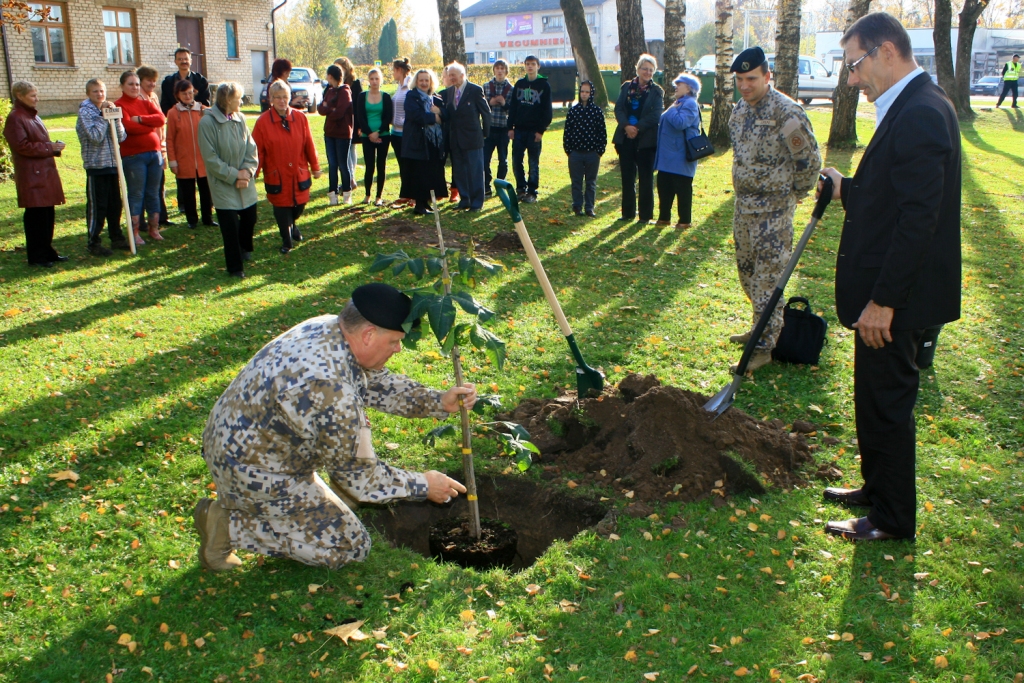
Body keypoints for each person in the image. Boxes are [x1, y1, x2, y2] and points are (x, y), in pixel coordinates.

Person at [194, 283, 476, 571]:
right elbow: (362, 478)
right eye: (394, 341)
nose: (398, 348)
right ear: (368, 334)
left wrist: (437, 401)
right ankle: (228, 525)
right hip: (254, 468)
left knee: (341, 485)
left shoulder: (329, 328)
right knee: (349, 547)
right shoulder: (332, 389)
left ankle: (308, 508)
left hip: (235, 436)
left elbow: (373, 382)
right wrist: (423, 485)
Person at [817, 12, 961, 542]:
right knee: (873, 399)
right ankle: (878, 489)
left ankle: (892, 518)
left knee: (888, 405)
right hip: (886, 295)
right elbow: (893, 196)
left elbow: (919, 220)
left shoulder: (921, 111)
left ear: (886, 52)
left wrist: (884, 302)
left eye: (855, 65)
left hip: (897, 300)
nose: (852, 78)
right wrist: (846, 188)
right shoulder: (909, 104)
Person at [727, 46, 821, 372]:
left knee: (768, 282)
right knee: (748, 275)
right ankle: (759, 327)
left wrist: (793, 195)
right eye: (740, 79)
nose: (744, 85)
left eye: (751, 79)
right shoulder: (739, 111)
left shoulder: (786, 112)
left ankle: (763, 347)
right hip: (744, 208)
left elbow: (809, 161)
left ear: (768, 76)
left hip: (773, 212)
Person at [253, 80, 322, 255]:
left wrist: (315, 166)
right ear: (271, 99)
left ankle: (293, 226)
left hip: (299, 173)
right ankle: (287, 240)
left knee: (299, 205)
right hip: (277, 175)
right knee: (282, 208)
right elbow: (257, 151)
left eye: (285, 97)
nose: (282, 101)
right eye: (277, 97)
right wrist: (254, 171)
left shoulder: (300, 118)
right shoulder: (262, 122)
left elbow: (309, 144)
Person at [198, 82, 258, 279]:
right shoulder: (207, 123)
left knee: (250, 218)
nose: (241, 102)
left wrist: (247, 172)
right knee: (230, 227)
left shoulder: (240, 118)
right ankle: (235, 267)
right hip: (222, 184)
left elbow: (251, 149)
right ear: (228, 100)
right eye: (238, 98)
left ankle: (245, 247)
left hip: (245, 181)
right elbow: (210, 159)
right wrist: (234, 175)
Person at [3, 80, 67, 267]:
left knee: (47, 214)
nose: (36, 99)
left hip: (44, 172)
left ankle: (47, 251)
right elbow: (21, 146)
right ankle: (37, 256)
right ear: (20, 96)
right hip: (32, 174)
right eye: (32, 96)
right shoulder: (16, 117)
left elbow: (37, 142)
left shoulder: (32, 116)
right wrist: (49, 147)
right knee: (36, 217)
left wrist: (53, 147)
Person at [75, 78, 128, 256]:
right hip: (97, 166)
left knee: (115, 205)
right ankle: (94, 241)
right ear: (88, 94)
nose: (99, 94)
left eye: (102, 91)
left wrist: (115, 117)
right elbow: (95, 137)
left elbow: (121, 136)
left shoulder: (109, 108)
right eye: (95, 91)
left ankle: (116, 237)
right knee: (98, 206)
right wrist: (104, 117)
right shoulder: (85, 112)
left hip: (113, 164)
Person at [115, 69, 166, 246]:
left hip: (154, 154)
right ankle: (134, 232)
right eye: (131, 84)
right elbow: (128, 127)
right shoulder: (119, 105)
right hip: (134, 156)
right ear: (122, 86)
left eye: (137, 84)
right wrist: (149, 126)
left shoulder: (145, 103)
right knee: (136, 193)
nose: (135, 87)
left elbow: (161, 119)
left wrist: (141, 119)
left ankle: (154, 228)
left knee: (153, 192)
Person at [613, 54, 664, 223]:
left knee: (646, 178)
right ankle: (627, 213)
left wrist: (637, 128)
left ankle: (645, 215)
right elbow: (619, 109)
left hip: (646, 140)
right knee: (627, 177)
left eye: (651, 70)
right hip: (625, 138)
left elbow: (656, 114)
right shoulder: (626, 87)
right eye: (645, 69)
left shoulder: (656, 91)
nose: (647, 72)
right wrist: (627, 126)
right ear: (638, 69)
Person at [166, 79, 216, 230]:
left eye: (190, 93)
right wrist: (173, 161)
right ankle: (192, 220)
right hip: (184, 159)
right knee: (188, 192)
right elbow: (170, 139)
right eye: (184, 94)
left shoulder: (203, 110)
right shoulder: (173, 113)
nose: (188, 96)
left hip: (203, 159)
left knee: (206, 191)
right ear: (178, 95)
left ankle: (208, 217)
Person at [654, 73, 702, 229]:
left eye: (679, 84)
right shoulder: (679, 103)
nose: (676, 87)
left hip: (681, 155)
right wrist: (673, 108)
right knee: (664, 187)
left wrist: (672, 110)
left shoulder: (690, 104)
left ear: (688, 88)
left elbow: (680, 123)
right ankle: (664, 218)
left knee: (682, 189)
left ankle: (684, 221)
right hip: (668, 156)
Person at [440, 62, 490, 212]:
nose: (451, 78)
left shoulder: (475, 90)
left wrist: (485, 133)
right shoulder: (449, 92)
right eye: (449, 76)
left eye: (453, 75)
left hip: (473, 138)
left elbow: (486, 113)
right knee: (459, 171)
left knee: (475, 171)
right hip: (455, 139)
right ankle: (465, 199)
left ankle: (477, 202)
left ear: (462, 75)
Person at [401, 68, 448, 216]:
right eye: (421, 80)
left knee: (430, 173)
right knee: (419, 174)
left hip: (434, 143)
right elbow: (415, 115)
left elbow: (447, 114)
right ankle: (419, 205)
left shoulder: (436, 98)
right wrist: (434, 118)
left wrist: (439, 112)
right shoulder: (411, 96)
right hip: (418, 142)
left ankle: (426, 202)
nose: (424, 83)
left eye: (426, 80)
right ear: (416, 82)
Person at [507, 55, 552, 203]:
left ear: (538, 66)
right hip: (519, 130)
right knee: (516, 161)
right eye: (527, 64)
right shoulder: (519, 84)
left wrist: (541, 131)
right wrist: (510, 127)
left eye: (533, 64)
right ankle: (520, 189)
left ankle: (532, 192)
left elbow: (547, 111)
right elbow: (513, 107)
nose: (530, 66)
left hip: (534, 132)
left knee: (533, 162)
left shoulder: (544, 86)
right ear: (524, 66)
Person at [562, 80, 606, 217]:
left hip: (592, 153)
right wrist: (569, 150)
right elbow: (567, 132)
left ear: (591, 93)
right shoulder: (573, 111)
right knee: (576, 181)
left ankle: (589, 207)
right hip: (575, 152)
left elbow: (602, 133)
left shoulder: (597, 112)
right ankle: (577, 206)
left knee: (591, 182)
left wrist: (599, 151)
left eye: (587, 92)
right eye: (582, 91)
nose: (584, 94)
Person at [137, 65, 173, 228]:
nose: (152, 84)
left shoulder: (153, 97)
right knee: (144, 186)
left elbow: (160, 119)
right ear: (140, 81)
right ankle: (141, 221)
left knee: (159, 183)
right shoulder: (139, 98)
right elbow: (149, 120)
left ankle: (161, 217)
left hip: (159, 145)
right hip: (146, 147)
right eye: (148, 81)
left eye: (154, 81)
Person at [354, 67, 393, 206]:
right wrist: (370, 133)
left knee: (381, 165)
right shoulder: (362, 96)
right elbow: (360, 116)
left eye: (377, 78)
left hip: (383, 135)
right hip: (367, 136)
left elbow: (388, 116)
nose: (374, 81)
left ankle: (379, 196)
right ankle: (367, 194)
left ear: (380, 80)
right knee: (369, 165)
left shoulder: (386, 96)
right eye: (372, 79)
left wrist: (378, 132)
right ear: (368, 81)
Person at [318, 64, 354, 206]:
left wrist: (329, 108)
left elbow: (339, 113)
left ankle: (347, 192)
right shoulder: (329, 91)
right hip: (330, 133)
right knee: (332, 164)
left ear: (330, 76)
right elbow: (321, 108)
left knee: (343, 164)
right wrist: (329, 108)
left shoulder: (345, 92)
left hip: (343, 134)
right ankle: (333, 194)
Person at [483, 59, 513, 198]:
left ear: (506, 71)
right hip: (489, 129)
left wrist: (504, 103)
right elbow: (481, 106)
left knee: (503, 159)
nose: (500, 71)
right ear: (494, 70)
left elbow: (513, 110)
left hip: (503, 129)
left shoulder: (511, 89)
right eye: (497, 68)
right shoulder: (486, 86)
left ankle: (501, 185)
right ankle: (486, 186)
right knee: (485, 159)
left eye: (502, 68)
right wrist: (490, 102)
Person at [390, 57, 414, 207]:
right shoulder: (399, 86)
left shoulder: (410, 86)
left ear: (399, 70)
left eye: (394, 70)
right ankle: (405, 193)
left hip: (407, 133)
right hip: (396, 132)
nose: (393, 73)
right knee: (402, 165)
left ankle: (414, 195)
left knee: (410, 165)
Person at [159, 47, 211, 114]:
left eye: (186, 59)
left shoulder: (201, 81)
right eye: (180, 59)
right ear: (175, 62)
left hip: (197, 117)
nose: (183, 61)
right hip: (176, 117)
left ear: (191, 61)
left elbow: (205, 103)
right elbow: (165, 105)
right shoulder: (167, 82)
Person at [337, 57, 362, 193]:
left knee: (351, 149)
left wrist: (360, 125)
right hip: (341, 121)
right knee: (345, 150)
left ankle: (351, 178)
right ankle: (350, 178)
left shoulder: (355, 83)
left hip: (353, 121)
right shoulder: (336, 83)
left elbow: (360, 103)